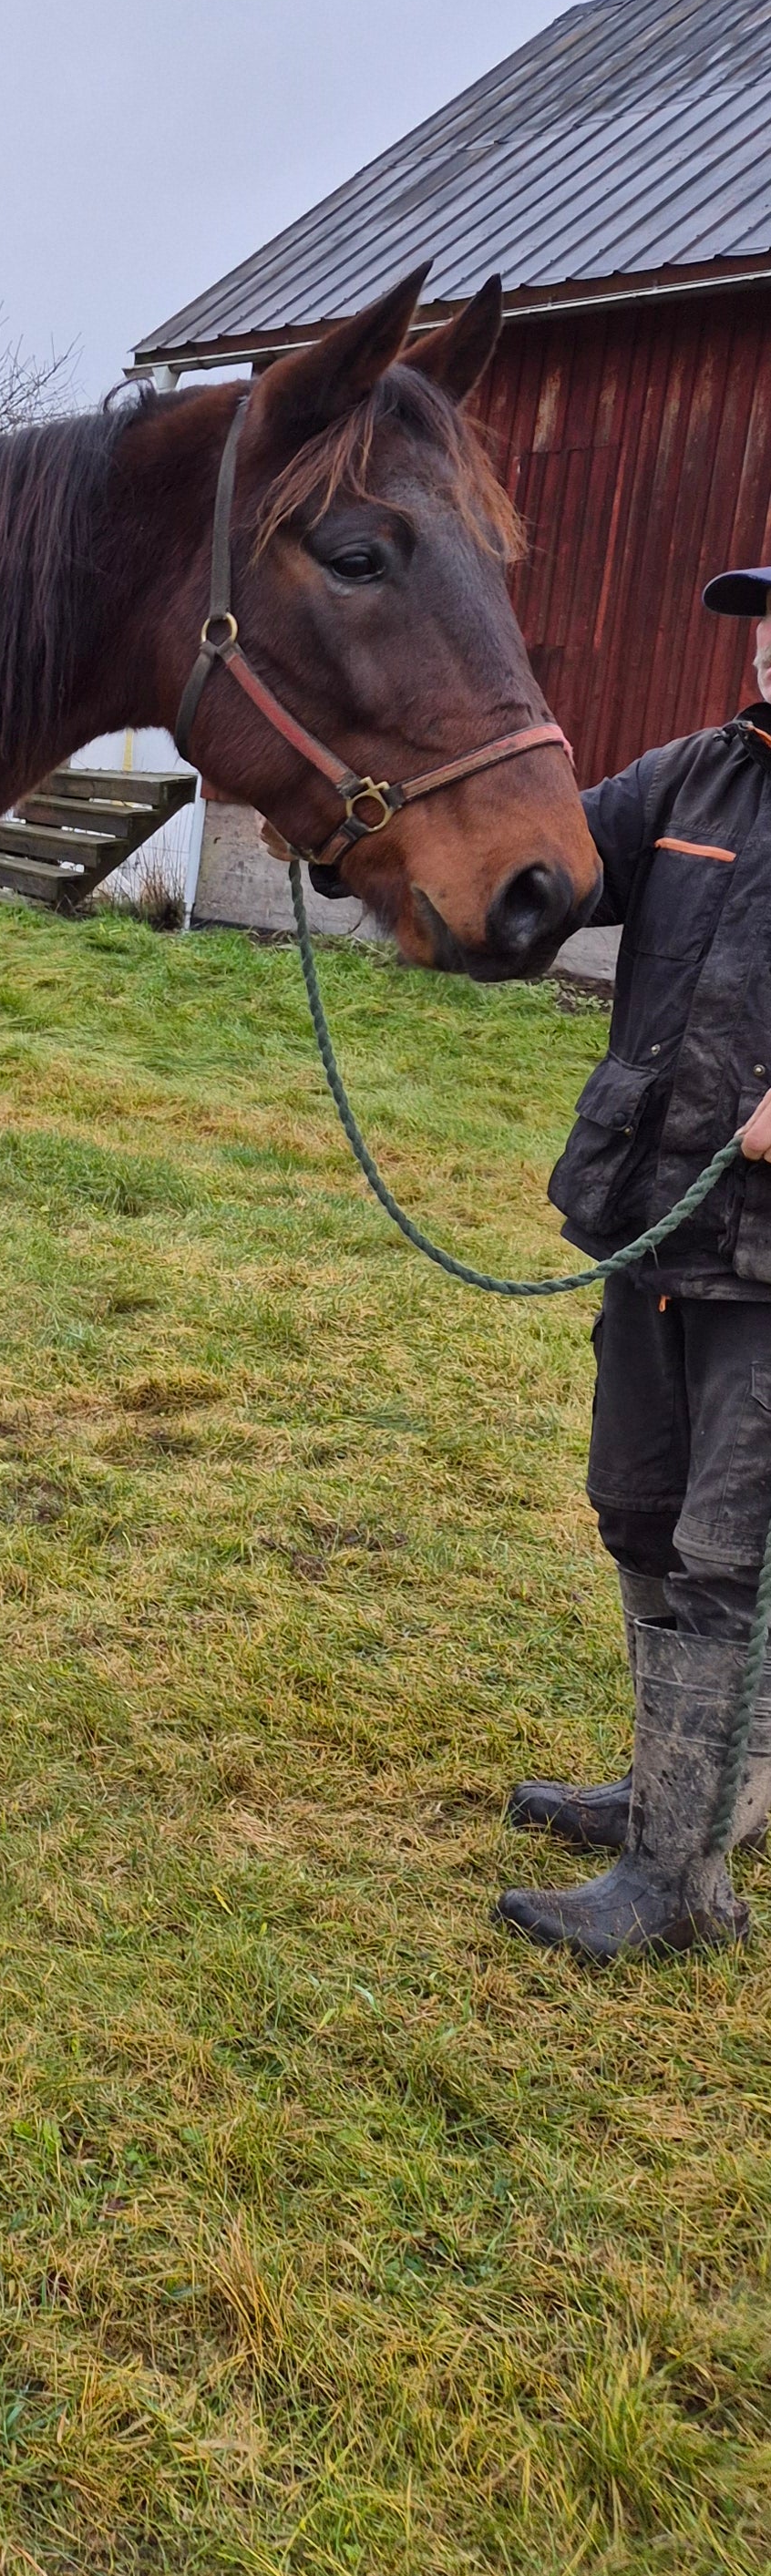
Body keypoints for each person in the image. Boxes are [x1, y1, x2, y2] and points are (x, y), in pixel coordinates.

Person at [501, 569, 771, 1959]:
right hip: (654, 1218)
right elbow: (546, 872)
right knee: (642, 1508)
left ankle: (685, 1887)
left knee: (734, 1557)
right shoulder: (699, 776)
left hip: (767, 1265)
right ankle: (672, 1801)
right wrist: (379, 838)